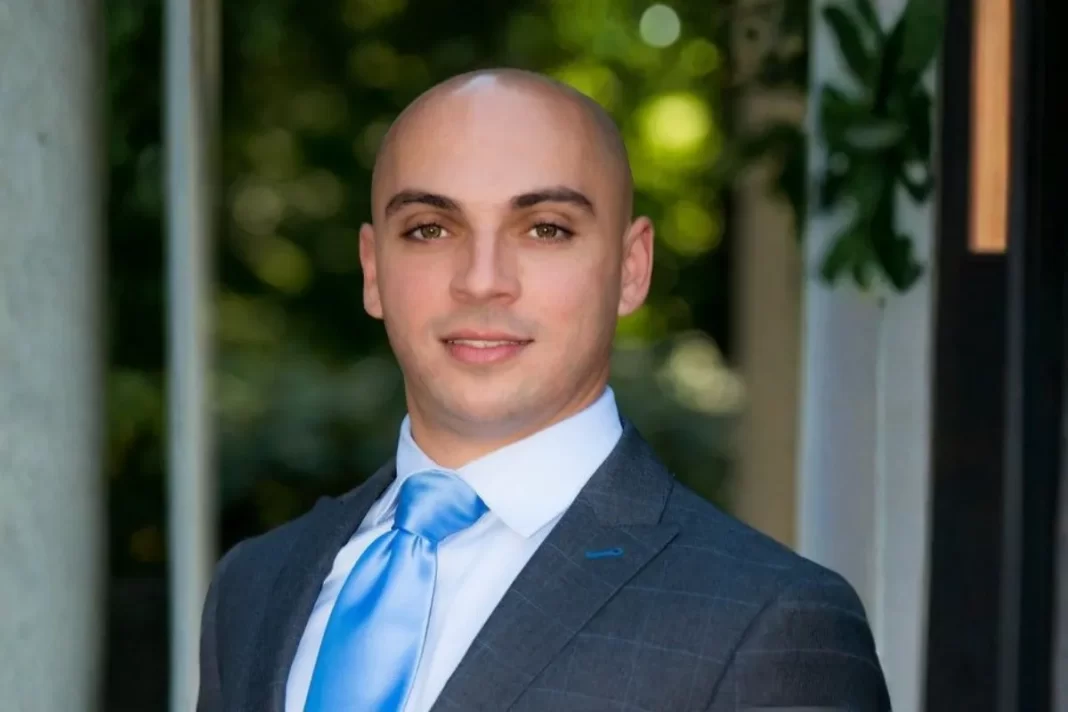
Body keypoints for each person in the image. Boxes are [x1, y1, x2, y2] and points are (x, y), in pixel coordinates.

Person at [196, 68, 891, 712]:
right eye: (430, 229)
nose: (482, 280)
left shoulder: (772, 623)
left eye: (545, 229)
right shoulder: (255, 585)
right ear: (374, 270)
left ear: (631, 268)